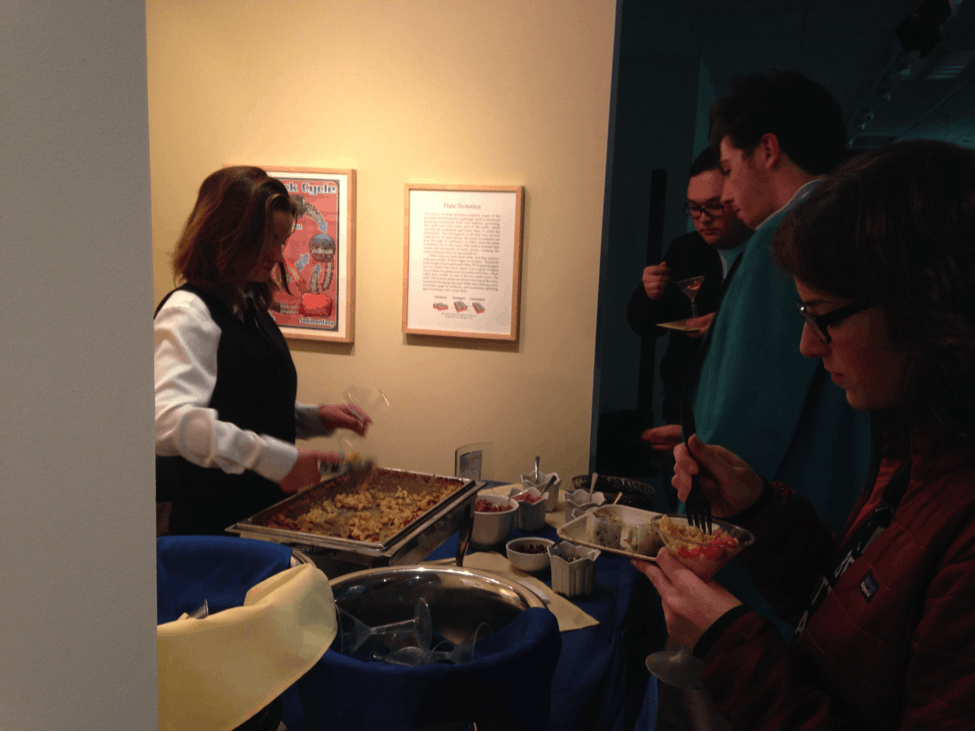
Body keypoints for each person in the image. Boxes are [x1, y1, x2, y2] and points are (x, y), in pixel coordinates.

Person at [635, 140, 975, 728]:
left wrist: (728, 642)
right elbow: (855, 611)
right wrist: (761, 508)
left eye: (823, 317)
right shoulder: (915, 449)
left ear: (927, 304)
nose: (808, 345)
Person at [642, 71, 871, 538]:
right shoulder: (849, 225)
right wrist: (694, 428)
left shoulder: (783, 239)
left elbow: (753, 412)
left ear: (767, 151)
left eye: (727, 170)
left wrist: (704, 475)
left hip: (761, 524)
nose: (725, 195)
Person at [155, 166, 369, 536]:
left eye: (282, 240)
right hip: (213, 532)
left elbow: (242, 402)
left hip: (261, 522)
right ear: (227, 234)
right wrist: (273, 459)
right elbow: (167, 422)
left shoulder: (248, 305)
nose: (277, 255)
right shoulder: (188, 311)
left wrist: (313, 417)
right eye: (268, 239)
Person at [626, 147, 750, 426]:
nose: (703, 218)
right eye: (694, 208)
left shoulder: (765, 251)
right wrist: (648, 295)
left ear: (735, 197)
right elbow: (643, 326)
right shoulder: (685, 249)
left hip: (740, 406)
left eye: (714, 205)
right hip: (682, 402)